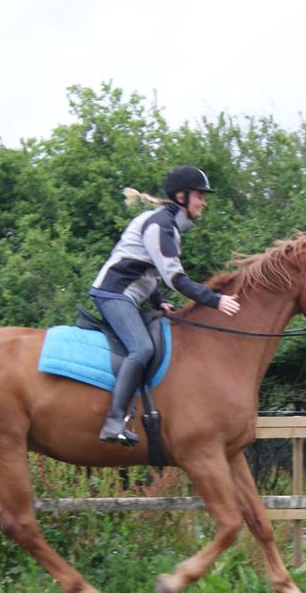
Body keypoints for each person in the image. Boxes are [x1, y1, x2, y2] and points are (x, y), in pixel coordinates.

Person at [89, 165, 241, 445]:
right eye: (200, 195)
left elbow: (147, 270)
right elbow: (177, 280)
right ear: (182, 197)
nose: (204, 202)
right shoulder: (160, 225)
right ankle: (113, 422)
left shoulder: (166, 224)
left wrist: (159, 301)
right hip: (112, 295)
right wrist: (215, 300)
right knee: (142, 347)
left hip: (125, 295)